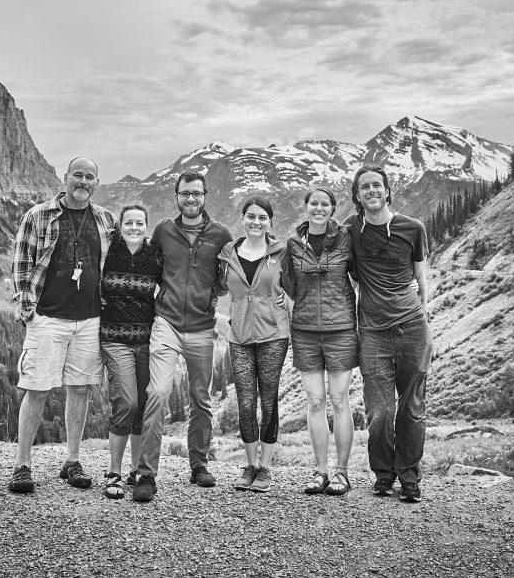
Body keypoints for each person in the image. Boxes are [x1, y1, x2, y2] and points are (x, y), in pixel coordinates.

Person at [7, 156, 116, 494]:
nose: (83, 182)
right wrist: (30, 314)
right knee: (37, 388)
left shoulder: (104, 219)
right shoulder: (38, 216)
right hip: (49, 317)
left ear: (97, 183)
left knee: (80, 389)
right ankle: (22, 465)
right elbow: (22, 267)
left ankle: (72, 461)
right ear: (65, 178)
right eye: (78, 175)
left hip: (89, 319)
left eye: (90, 177)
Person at [131, 170, 233, 503]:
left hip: (203, 328)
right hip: (167, 323)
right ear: (177, 196)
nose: (191, 199)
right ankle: (146, 474)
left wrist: (213, 300)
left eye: (197, 194)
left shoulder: (220, 235)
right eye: (185, 193)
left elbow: (225, 279)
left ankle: (199, 465)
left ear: (206, 196)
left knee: (201, 399)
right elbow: (150, 268)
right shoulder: (163, 231)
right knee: (158, 392)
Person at [345, 164, 432, 503]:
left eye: (376, 185)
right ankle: (384, 474)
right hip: (373, 333)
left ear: (387, 190)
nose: (371, 191)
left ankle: (409, 476)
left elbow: (421, 280)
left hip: (412, 328)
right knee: (379, 411)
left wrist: (425, 319)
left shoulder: (413, 228)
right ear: (357, 195)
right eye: (364, 187)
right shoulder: (352, 229)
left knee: (412, 407)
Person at [282, 186, 358, 496]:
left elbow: (361, 277)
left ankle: (341, 472)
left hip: (341, 329)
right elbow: (287, 286)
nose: (318, 208)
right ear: (306, 207)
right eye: (313, 203)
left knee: (340, 400)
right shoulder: (293, 244)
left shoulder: (345, 239)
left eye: (324, 204)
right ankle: (320, 471)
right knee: (315, 402)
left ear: (332, 208)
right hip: (304, 332)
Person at [218, 196, 290, 493]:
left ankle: (266, 468)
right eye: (251, 216)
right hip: (240, 336)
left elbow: (298, 286)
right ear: (243, 218)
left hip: (273, 334)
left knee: (268, 399)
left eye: (262, 217)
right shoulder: (228, 255)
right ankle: (249, 466)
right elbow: (219, 287)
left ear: (270, 221)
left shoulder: (281, 253)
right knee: (246, 402)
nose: (256, 221)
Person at [99, 204, 162, 499]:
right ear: (120, 225)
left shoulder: (155, 255)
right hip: (114, 338)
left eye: (139, 223)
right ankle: (113, 471)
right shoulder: (108, 250)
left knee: (143, 405)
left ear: (146, 226)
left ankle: (136, 470)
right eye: (129, 223)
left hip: (147, 339)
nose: (134, 227)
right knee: (126, 401)